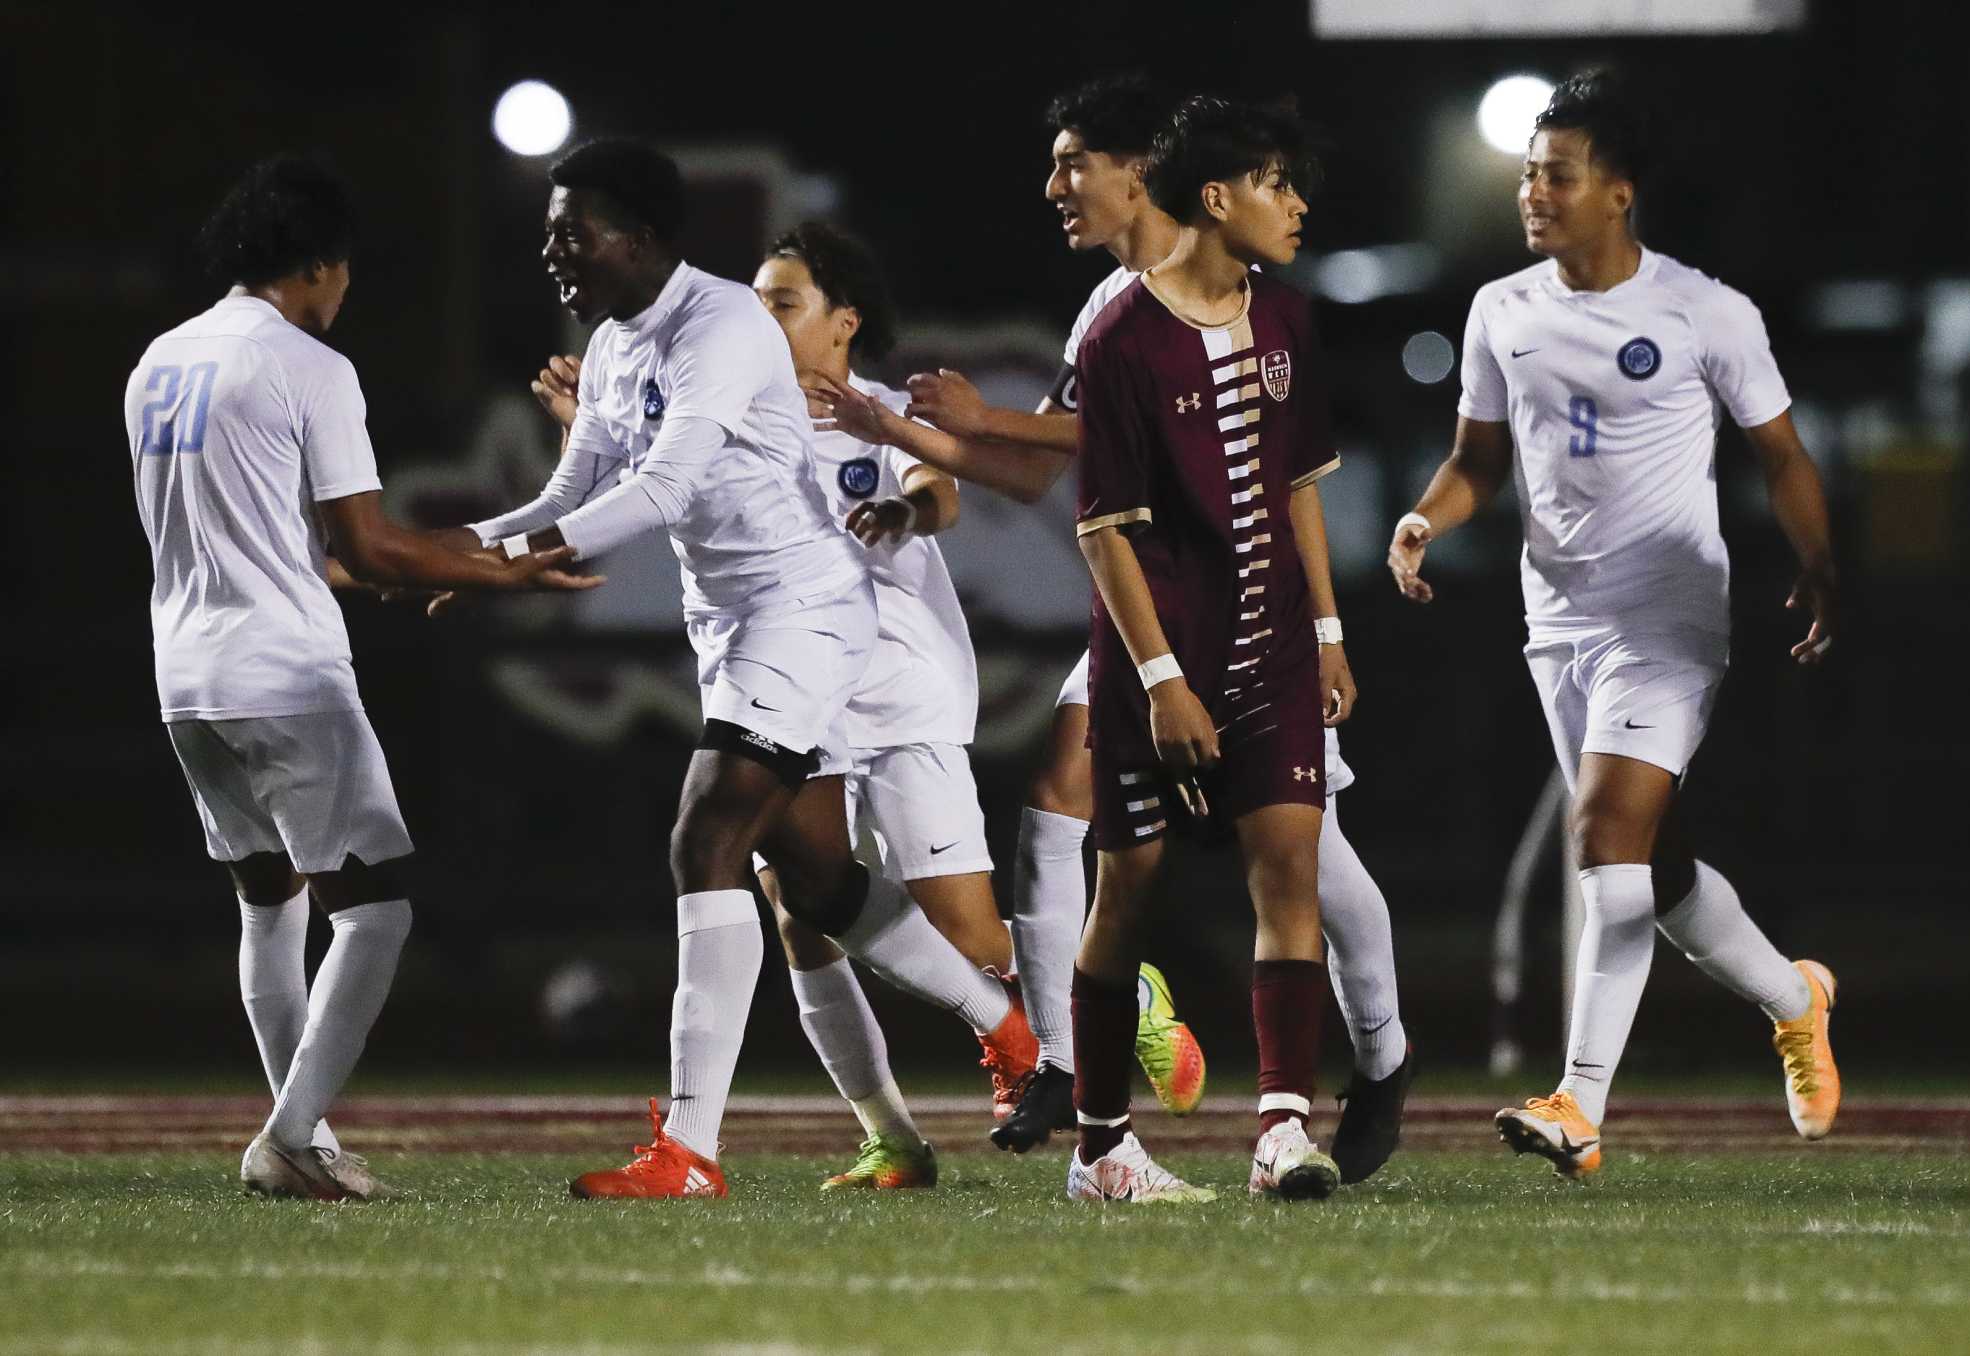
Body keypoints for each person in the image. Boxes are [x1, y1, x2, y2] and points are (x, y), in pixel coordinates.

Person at [819, 76, 1411, 1180]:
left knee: (1307, 868)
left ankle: (1378, 1059)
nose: (1053, 188)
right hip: (1153, 613)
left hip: (1254, 624)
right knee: (1061, 798)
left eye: (1070, 162)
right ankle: (1065, 1060)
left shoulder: (1242, 292)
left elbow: (1145, 452)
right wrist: (901, 431)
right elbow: (1066, 472)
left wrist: (1325, 627)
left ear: (1144, 171)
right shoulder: (1114, 312)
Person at [444, 140, 1036, 1199]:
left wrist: (509, 563)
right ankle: (1004, 1035)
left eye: (570, 231)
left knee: (705, 835)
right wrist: (454, 548)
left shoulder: (718, 325)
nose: (550, 251)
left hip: (805, 618)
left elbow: (662, 493)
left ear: (640, 236)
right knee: (812, 886)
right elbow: (575, 482)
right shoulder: (622, 342)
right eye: (547, 232)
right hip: (733, 629)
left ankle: (689, 1148)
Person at [1387, 69, 1841, 1181]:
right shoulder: (1501, 308)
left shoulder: (1703, 310)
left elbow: (1778, 455)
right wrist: (1421, 519)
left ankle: (1576, 1104)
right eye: (1527, 174)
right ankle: (1795, 997)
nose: (1532, 193)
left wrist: (1819, 564)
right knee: (1650, 861)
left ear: (1618, 192)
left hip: (1670, 616)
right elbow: (1477, 460)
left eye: (1557, 174)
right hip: (1557, 623)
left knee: (1602, 839)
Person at [124, 156, 602, 1201]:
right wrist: (507, 575)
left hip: (186, 673)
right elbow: (373, 547)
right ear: (320, 265)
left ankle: (306, 1137)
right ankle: (292, 1135)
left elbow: (306, 548)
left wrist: (453, 564)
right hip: (286, 671)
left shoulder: (159, 361)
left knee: (267, 906)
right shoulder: (307, 366)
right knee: (376, 913)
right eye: (344, 275)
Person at [1064, 95, 1351, 1203]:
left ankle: (1282, 1130)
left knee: (1290, 872)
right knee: (1123, 891)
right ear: (1219, 196)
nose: (1297, 205)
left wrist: (1325, 629)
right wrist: (1159, 682)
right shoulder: (1120, 339)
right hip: (1162, 660)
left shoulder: (1285, 318)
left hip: (1272, 647)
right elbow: (1102, 532)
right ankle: (1099, 1150)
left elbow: (1298, 488)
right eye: (1279, 184)